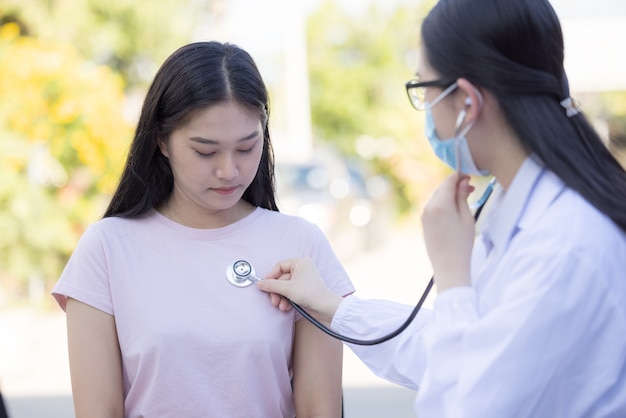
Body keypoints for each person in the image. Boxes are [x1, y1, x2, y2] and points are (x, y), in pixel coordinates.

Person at [257, 0, 626, 416]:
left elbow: (460, 401)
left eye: (423, 89)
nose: (427, 110)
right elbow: (454, 344)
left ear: (466, 102)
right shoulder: (529, 206)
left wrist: (452, 272)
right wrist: (334, 306)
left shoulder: (564, 244)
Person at [51, 41, 354, 418]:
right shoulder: (106, 249)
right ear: (161, 140)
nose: (229, 170)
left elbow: (320, 411)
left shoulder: (300, 244)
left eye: (246, 147)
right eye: (205, 151)